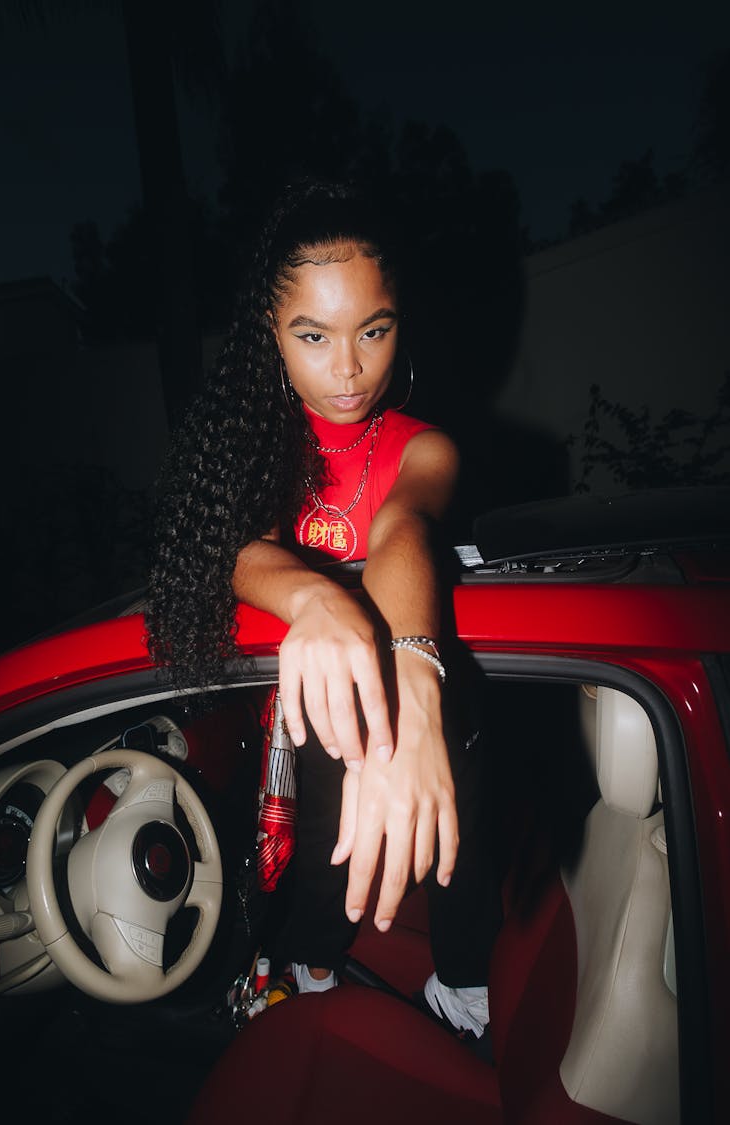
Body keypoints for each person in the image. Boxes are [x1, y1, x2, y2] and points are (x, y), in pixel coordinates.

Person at [147, 180, 500, 1044]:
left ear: (399, 326)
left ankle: (464, 999)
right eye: (313, 335)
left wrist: (413, 696)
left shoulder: (424, 444)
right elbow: (238, 550)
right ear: (271, 335)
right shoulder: (258, 444)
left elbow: (404, 530)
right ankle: (307, 972)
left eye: (372, 330)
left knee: (456, 821)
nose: (348, 368)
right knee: (310, 843)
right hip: (301, 731)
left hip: (428, 728)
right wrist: (316, 596)